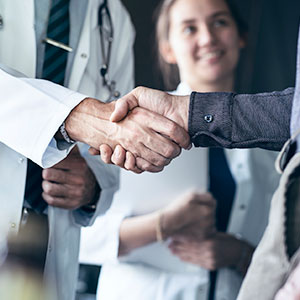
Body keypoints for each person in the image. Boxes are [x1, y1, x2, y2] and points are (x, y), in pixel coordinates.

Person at [80, 1, 280, 299]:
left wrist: (240, 254)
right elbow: (77, 236)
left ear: (241, 36)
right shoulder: (134, 125)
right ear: (167, 49)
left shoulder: (274, 140)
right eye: (189, 28)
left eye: (220, 22)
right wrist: (161, 225)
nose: (208, 38)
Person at [0, 1, 189, 299]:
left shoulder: (114, 19)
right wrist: (75, 117)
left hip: (49, 256)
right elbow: (96, 124)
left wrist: (91, 187)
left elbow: (109, 166)